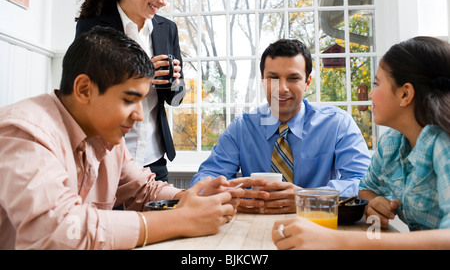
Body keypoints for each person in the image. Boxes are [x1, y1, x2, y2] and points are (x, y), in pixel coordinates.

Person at [0, 27, 245, 250]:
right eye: (129, 100)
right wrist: (181, 219)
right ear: (84, 89)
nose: (139, 115)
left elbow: (144, 189)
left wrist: (189, 199)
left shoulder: (104, 136)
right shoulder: (24, 133)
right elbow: (59, 231)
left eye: (142, 100)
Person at [272, 36, 450, 249]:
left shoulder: (442, 142)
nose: (371, 94)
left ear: (405, 93)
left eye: (377, 83)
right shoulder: (392, 144)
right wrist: (374, 203)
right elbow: (364, 189)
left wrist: (335, 240)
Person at [190, 39, 371, 214]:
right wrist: (230, 193)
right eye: (273, 78)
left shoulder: (337, 124)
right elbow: (205, 180)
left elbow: (364, 183)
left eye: (293, 78)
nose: (282, 88)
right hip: (253, 222)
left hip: (317, 222)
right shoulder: (242, 127)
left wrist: (307, 198)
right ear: (263, 80)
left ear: (307, 82)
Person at [75, 0, 185, 182]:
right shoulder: (92, 25)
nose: (164, 0)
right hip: (105, 156)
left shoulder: (168, 29)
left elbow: (176, 99)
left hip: (155, 160)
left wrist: (173, 83)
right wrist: (142, 74)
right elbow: (83, 93)